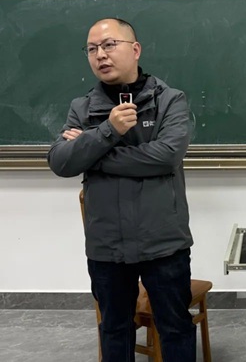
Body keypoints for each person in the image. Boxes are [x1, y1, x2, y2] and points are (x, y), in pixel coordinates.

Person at [47, 18, 195, 362]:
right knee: (114, 329)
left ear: (135, 49)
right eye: (92, 49)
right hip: (107, 244)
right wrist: (107, 131)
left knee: (175, 328)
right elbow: (61, 162)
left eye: (109, 45)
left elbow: (165, 157)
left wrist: (94, 154)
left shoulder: (169, 100)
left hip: (163, 241)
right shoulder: (82, 108)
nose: (100, 55)